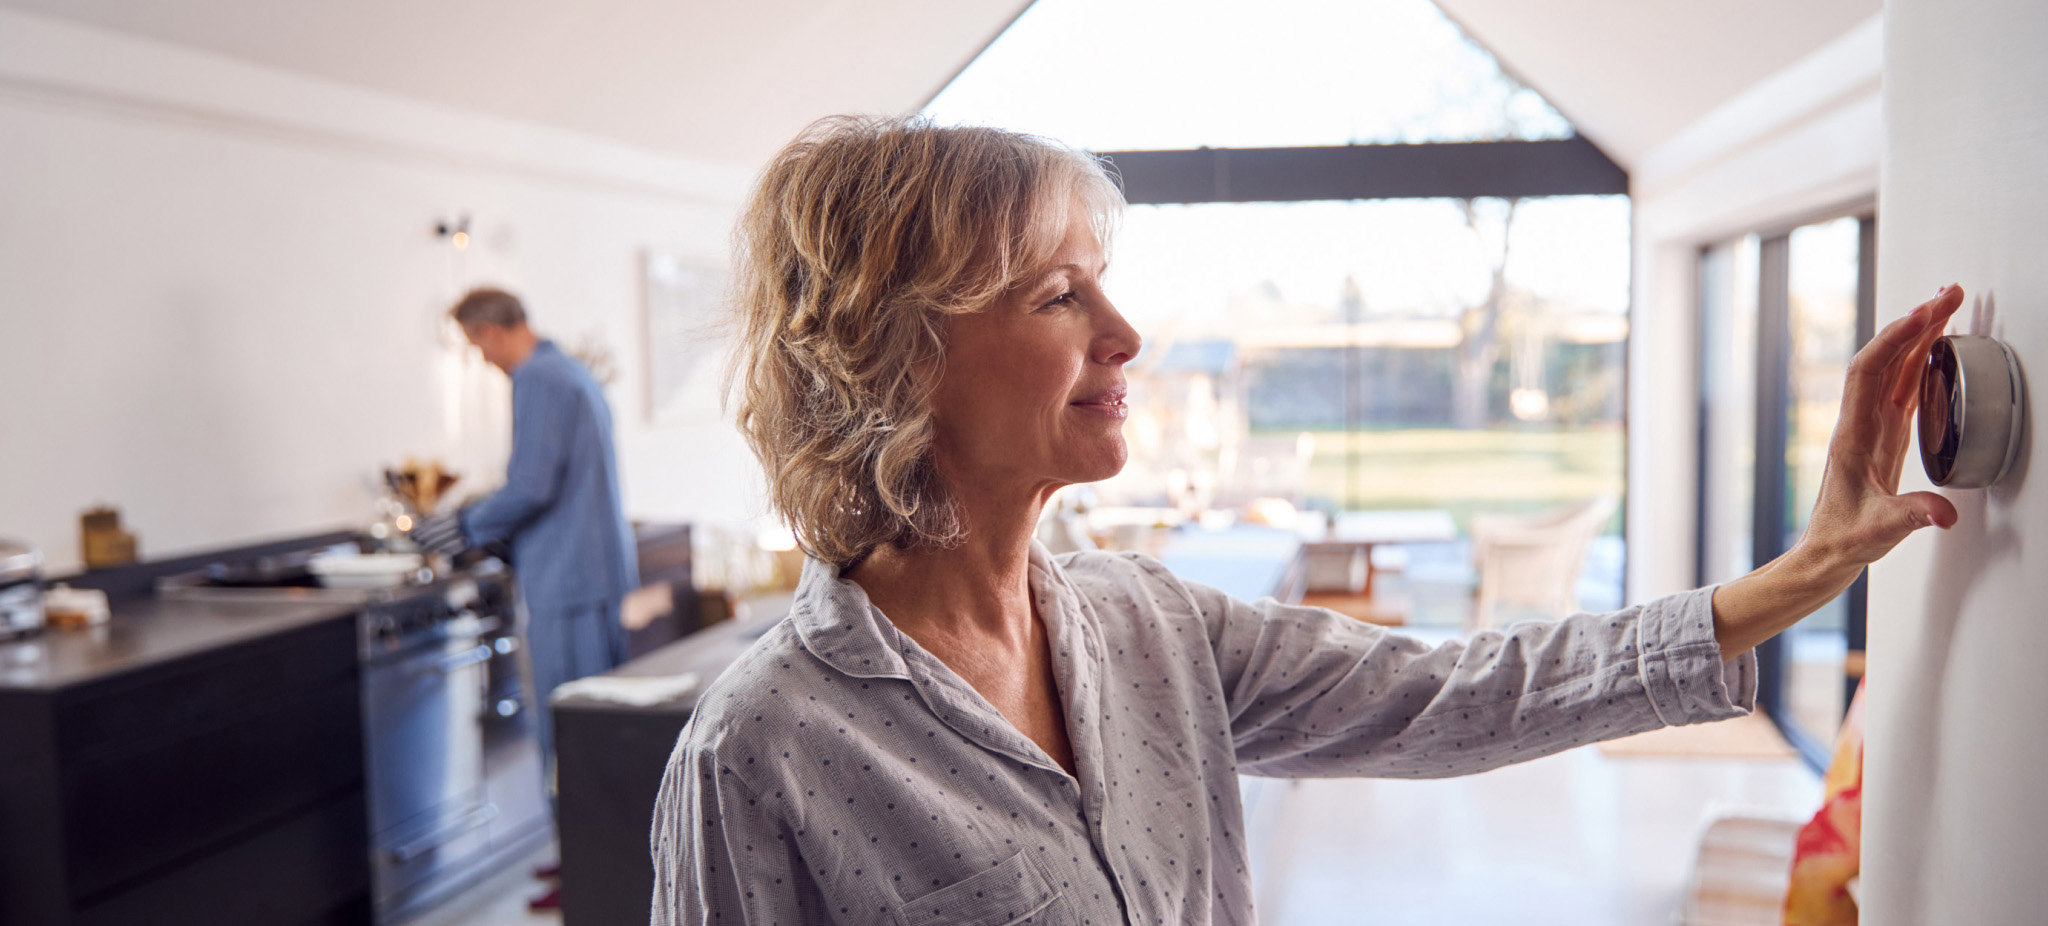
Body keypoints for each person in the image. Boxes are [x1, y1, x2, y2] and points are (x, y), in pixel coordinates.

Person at [649, 116, 1963, 925]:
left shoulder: (1145, 623)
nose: (1126, 334)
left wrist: (1797, 577)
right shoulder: (763, 750)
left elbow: (1458, 693)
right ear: (902, 356)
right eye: (1058, 296)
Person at [413, 287, 639, 909]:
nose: (480, 361)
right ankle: (583, 858)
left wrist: (462, 525)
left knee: (569, 732)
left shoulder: (537, 379)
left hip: (567, 580)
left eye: (474, 346)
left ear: (489, 333)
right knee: (590, 726)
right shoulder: (571, 372)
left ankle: (590, 874)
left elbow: (532, 485)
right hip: (593, 573)